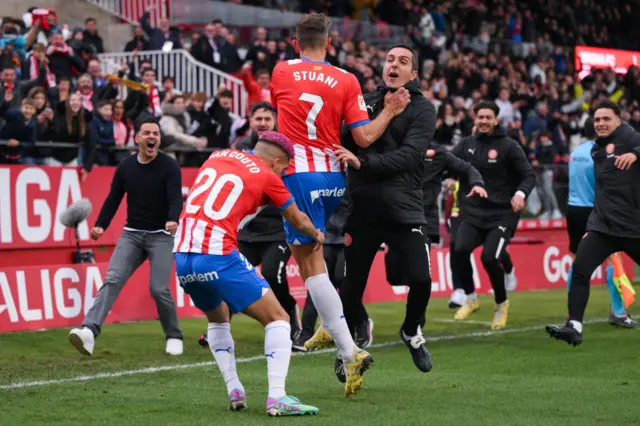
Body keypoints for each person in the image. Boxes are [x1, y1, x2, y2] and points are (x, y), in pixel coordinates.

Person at [269, 13, 410, 397]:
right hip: (334, 178)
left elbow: (281, 121)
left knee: (311, 267)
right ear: (329, 43)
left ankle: (350, 350)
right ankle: (348, 350)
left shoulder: (281, 71)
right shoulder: (347, 79)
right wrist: (390, 111)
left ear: (296, 43)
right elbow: (362, 138)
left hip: (298, 177)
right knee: (312, 262)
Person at [174, 131, 322, 416]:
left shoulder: (216, 156)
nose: (282, 174)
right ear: (276, 161)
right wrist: (316, 233)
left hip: (182, 257)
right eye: (283, 168)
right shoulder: (269, 176)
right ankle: (277, 396)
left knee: (218, 319)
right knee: (278, 319)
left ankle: (234, 389)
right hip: (216, 254)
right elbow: (297, 219)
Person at [332, 44, 440, 376]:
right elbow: (344, 138)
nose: (393, 65)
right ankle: (348, 347)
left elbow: (410, 156)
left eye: (403, 61)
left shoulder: (424, 109)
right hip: (362, 208)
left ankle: (411, 331)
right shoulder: (363, 101)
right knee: (348, 287)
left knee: (421, 279)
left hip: (404, 207)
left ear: (414, 74)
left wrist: (362, 161)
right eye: (390, 59)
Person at [68, 119, 184, 357]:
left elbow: (175, 198)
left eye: (156, 133)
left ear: (159, 139)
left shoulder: (169, 166)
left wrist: (173, 219)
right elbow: (113, 199)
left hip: (161, 235)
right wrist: (101, 224)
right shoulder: (126, 166)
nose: (152, 137)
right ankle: (89, 331)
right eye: (147, 133)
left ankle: (173, 335)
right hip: (132, 234)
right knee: (112, 279)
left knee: (158, 289)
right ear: (137, 139)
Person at [547, 101, 640, 346]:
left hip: (633, 227)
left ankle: (616, 312)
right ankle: (574, 326)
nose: (600, 123)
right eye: (597, 120)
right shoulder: (595, 148)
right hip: (602, 227)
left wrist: (636, 154)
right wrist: (592, 224)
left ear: (618, 121)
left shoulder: (629, 137)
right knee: (580, 270)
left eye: (606, 119)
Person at [450, 101, 535, 330]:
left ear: (496, 120)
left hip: (502, 214)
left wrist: (519, 194)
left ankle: (501, 303)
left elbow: (528, 175)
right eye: (480, 117)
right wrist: (447, 177)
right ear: (474, 119)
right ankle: (471, 298)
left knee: (489, 258)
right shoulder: (466, 144)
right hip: (473, 212)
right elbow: (448, 162)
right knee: (459, 250)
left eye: (489, 117)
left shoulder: (509, 146)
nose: (484, 121)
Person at [565, 117, 637, 328]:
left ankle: (572, 315)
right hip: (598, 211)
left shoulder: (575, 153)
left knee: (579, 262)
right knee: (613, 260)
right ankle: (619, 311)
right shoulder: (600, 152)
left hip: (573, 208)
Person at [293, 192, 374, 352]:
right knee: (316, 282)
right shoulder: (322, 174)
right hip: (324, 235)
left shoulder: (353, 176)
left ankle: (362, 320)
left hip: (349, 236)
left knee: (342, 280)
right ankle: (306, 334)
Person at [446, 180, 517, 309]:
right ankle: (460, 290)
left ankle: (509, 269)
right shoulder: (457, 168)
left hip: (483, 213)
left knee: (492, 249)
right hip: (460, 214)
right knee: (457, 247)